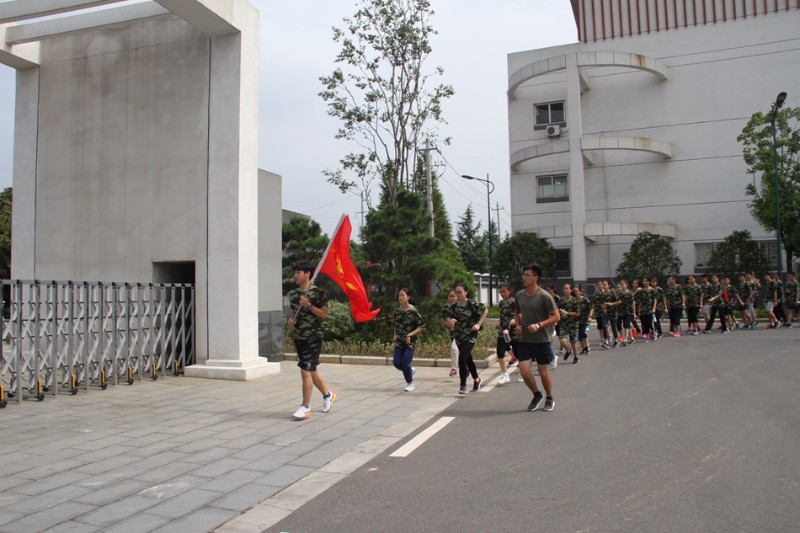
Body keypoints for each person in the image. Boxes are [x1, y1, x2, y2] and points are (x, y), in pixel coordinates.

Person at [286, 261, 335, 420]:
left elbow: (324, 314)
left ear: (308, 274)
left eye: (298, 272)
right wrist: (291, 321)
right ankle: (328, 395)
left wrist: (309, 306)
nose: (295, 275)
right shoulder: (293, 295)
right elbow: (295, 314)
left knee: (305, 370)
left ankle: (305, 407)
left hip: (314, 336)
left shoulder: (318, 293)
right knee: (311, 370)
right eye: (295, 273)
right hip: (299, 336)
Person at [514, 263, 560, 412]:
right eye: (524, 275)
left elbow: (556, 316)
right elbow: (517, 312)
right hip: (525, 340)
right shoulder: (520, 295)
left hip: (541, 340)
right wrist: (518, 325)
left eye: (527, 275)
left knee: (542, 371)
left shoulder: (544, 296)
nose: (524, 278)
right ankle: (536, 394)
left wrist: (539, 325)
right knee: (524, 371)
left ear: (536, 278)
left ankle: (549, 397)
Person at [445, 282, 487, 395]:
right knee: (468, 359)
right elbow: (447, 316)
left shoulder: (472, 304)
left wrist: (478, 324)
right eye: (456, 293)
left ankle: (463, 385)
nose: (458, 295)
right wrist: (451, 321)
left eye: (460, 292)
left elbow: (485, 310)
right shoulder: (454, 307)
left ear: (466, 292)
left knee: (462, 358)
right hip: (459, 336)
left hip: (470, 336)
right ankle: (477, 380)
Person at [392, 288, 425, 392]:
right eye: (399, 296)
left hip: (410, 342)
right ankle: (409, 371)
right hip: (399, 341)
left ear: (408, 297)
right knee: (396, 363)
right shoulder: (396, 311)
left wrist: (410, 335)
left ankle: (410, 383)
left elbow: (421, 326)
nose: (401, 297)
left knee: (405, 363)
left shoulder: (413, 311)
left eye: (403, 295)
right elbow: (396, 325)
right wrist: (395, 334)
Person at [496, 283, 519, 385]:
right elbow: (502, 315)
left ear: (509, 291)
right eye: (500, 291)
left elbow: (520, 313)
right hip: (503, 331)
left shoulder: (513, 302)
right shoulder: (501, 303)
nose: (502, 293)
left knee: (519, 353)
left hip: (513, 331)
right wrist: (499, 324)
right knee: (500, 352)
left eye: (504, 291)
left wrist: (515, 320)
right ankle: (505, 374)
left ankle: (523, 371)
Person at [558, 284, 581, 364]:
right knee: (562, 341)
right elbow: (556, 310)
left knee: (573, 341)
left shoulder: (574, 300)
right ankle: (568, 350)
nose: (565, 290)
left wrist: (568, 313)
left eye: (567, 289)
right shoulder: (560, 300)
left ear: (570, 290)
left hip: (573, 324)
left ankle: (576, 357)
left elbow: (578, 313)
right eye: (564, 288)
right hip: (563, 324)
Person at [440, 289, 459, 377]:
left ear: (457, 297)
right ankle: (463, 368)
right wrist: (448, 324)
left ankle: (454, 368)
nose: (451, 298)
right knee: (456, 350)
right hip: (452, 333)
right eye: (450, 296)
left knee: (454, 348)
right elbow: (441, 318)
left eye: (453, 296)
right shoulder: (446, 307)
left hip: (462, 332)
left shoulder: (460, 306)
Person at [573, 284, 593, 355]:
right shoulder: (573, 300)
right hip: (577, 320)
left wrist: (590, 316)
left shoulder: (585, 299)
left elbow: (591, 307)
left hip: (585, 319)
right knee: (580, 335)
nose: (575, 292)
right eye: (574, 291)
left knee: (583, 333)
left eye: (576, 291)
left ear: (580, 291)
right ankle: (584, 348)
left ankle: (587, 347)